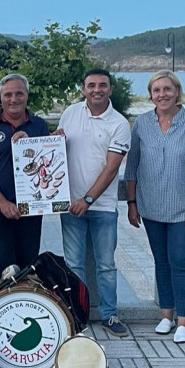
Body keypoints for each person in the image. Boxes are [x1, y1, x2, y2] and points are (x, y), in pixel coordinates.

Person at [124, 70, 185, 343]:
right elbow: (132, 166)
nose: (162, 94)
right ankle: (166, 314)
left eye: (167, 89)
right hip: (150, 207)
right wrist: (132, 203)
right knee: (161, 262)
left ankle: (184, 319)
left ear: (177, 92)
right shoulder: (142, 123)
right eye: (157, 90)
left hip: (183, 208)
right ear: (151, 95)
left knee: (180, 262)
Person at [55, 69, 131, 336]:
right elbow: (56, 150)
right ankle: (77, 315)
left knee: (106, 265)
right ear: (84, 88)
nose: (96, 89)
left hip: (102, 206)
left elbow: (112, 168)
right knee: (73, 265)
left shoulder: (120, 123)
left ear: (110, 89)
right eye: (91, 85)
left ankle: (110, 315)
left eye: (102, 85)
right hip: (70, 205)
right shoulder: (70, 113)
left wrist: (87, 199)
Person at [0, 74, 49, 277]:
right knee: (7, 269)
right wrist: (3, 203)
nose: (13, 99)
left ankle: (25, 308)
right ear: (1, 98)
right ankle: (6, 307)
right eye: (8, 94)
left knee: (29, 268)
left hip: (31, 208)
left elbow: (47, 165)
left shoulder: (39, 125)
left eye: (19, 94)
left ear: (27, 96)